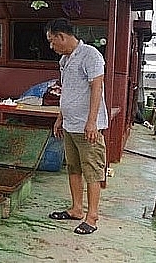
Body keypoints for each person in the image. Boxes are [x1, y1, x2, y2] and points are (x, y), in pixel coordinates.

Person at [45, 18, 108, 235]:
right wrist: (60, 118)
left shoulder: (91, 55)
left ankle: (92, 217)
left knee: (92, 170)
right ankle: (76, 209)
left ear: (62, 36)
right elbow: (67, 90)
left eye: (53, 42)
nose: (52, 47)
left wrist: (92, 122)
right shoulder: (65, 59)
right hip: (70, 125)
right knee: (73, 168)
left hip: (87, 126)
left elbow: (97, 88)